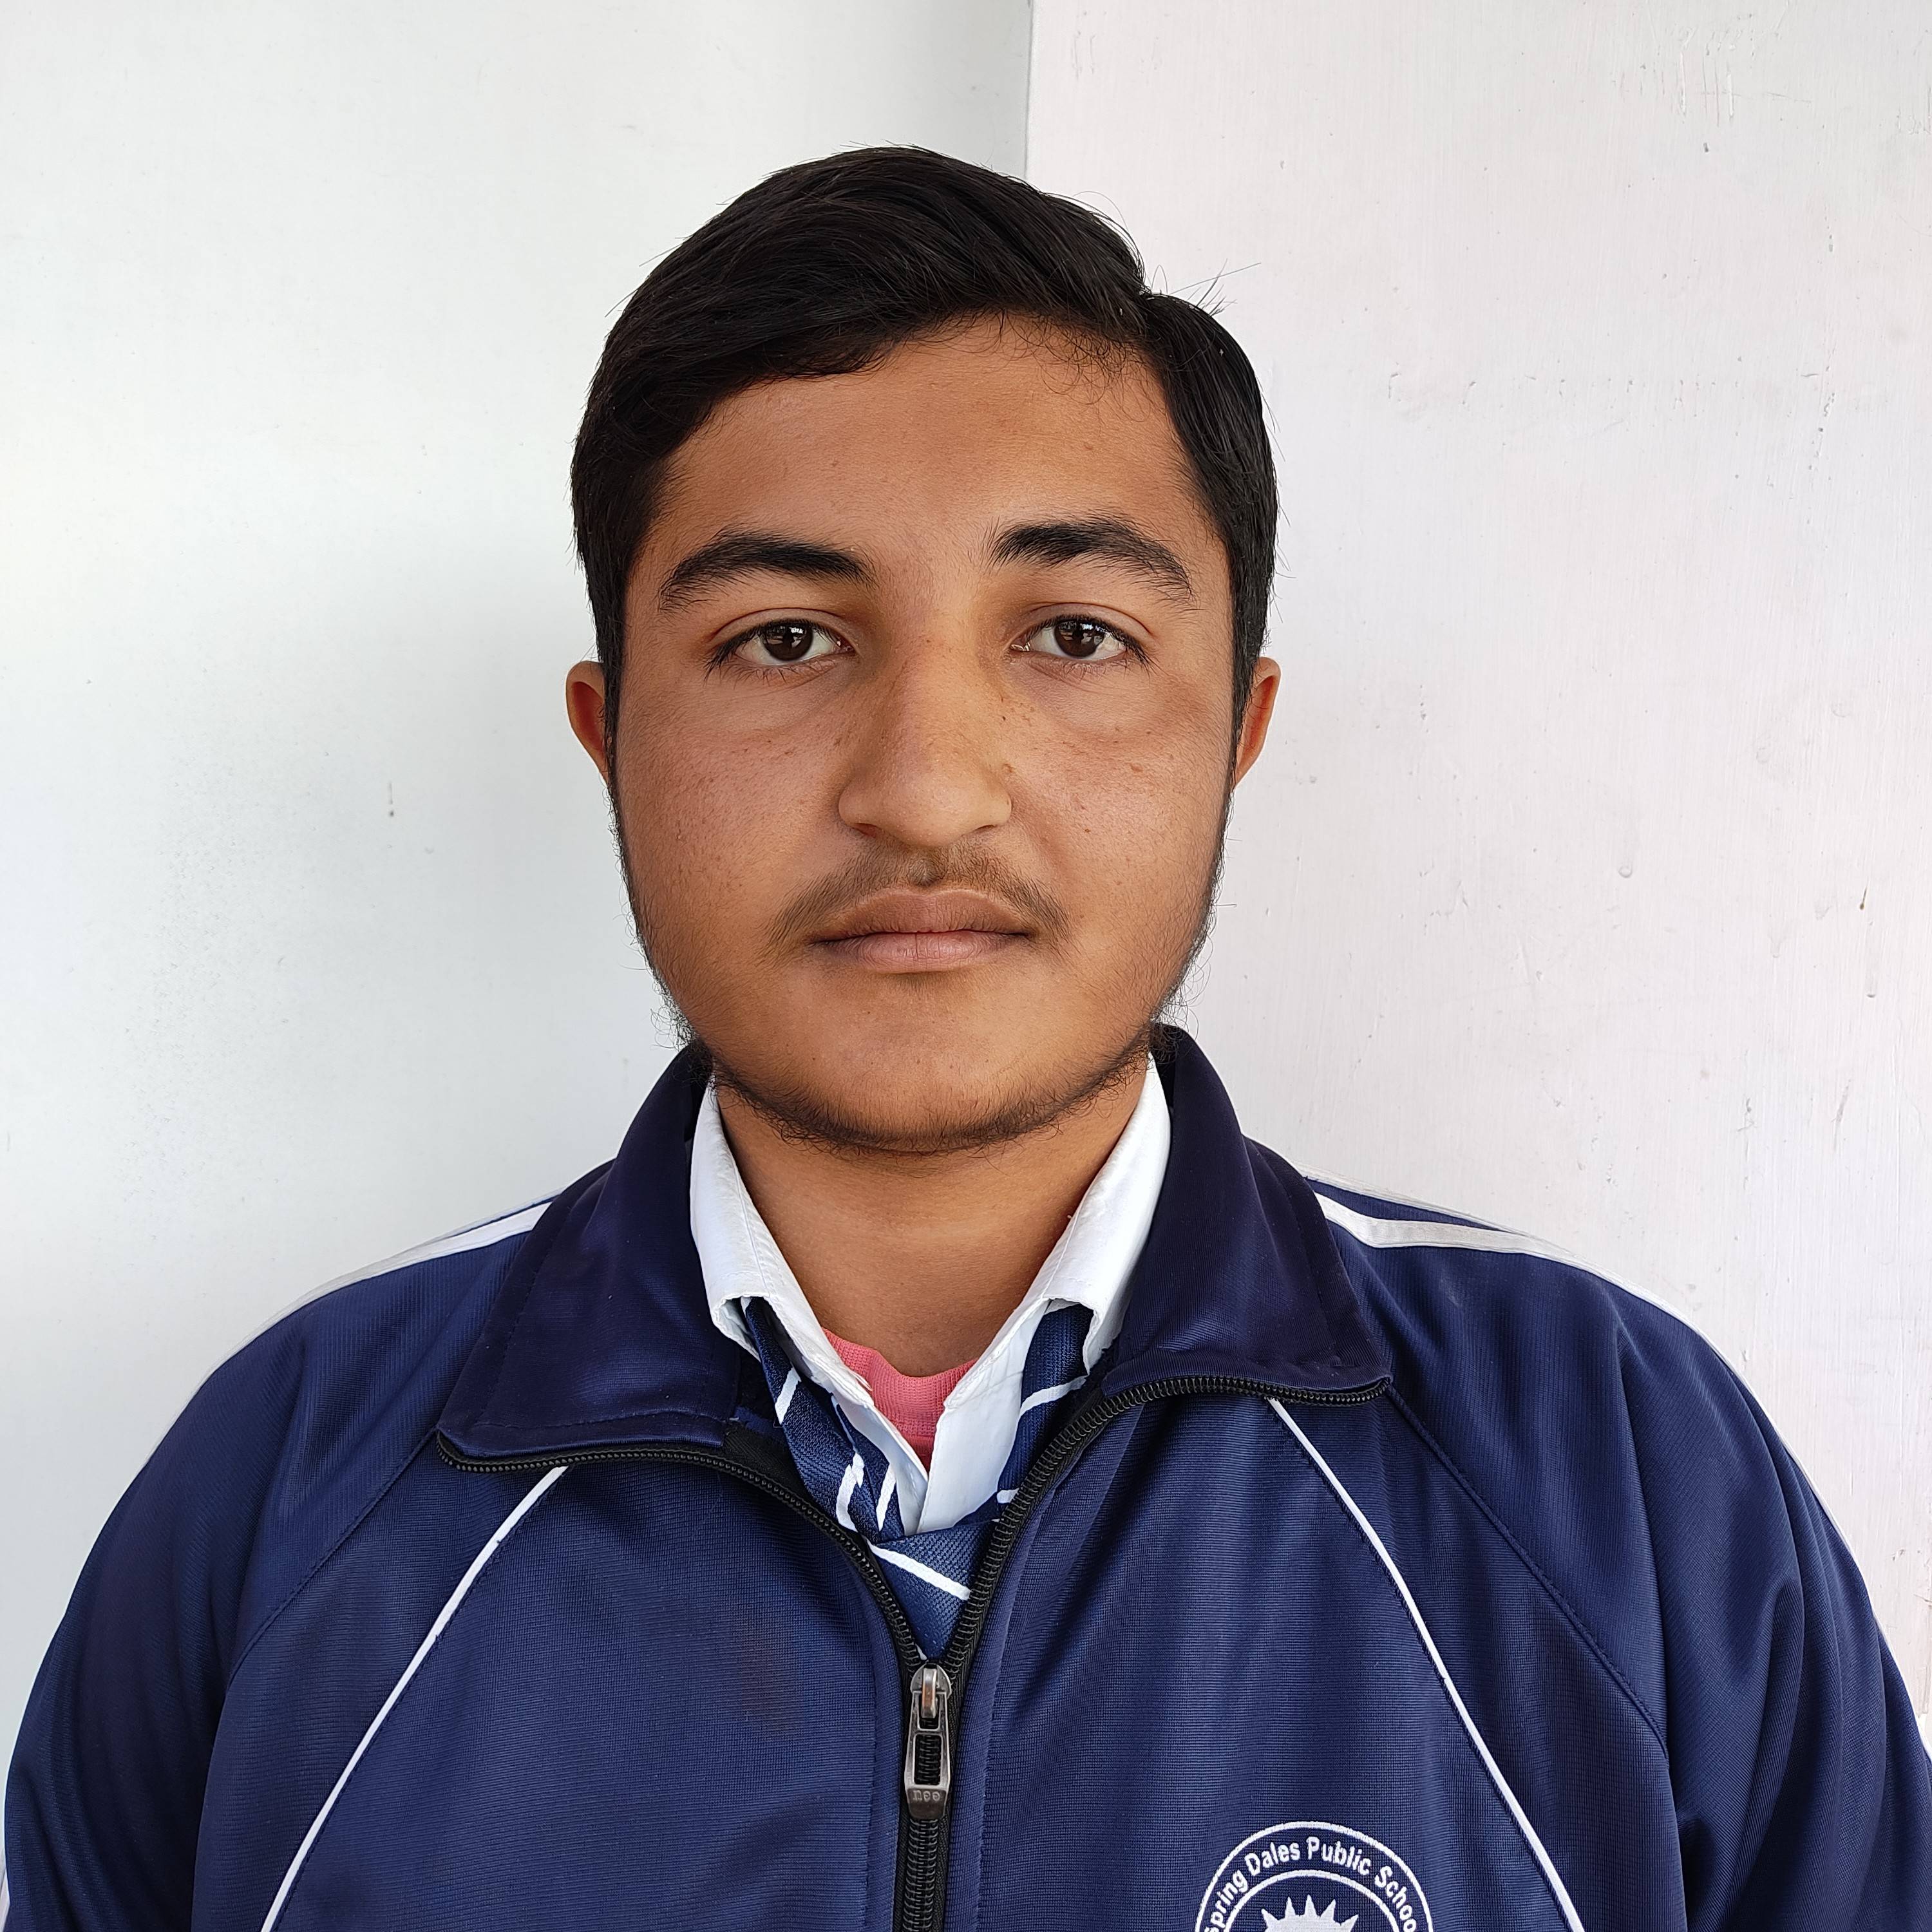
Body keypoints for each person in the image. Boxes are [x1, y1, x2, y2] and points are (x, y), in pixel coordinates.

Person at [5, 146, 1926, 1932]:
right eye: (784, 639)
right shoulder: (288, 1490)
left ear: (1238, 729)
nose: (926, 789)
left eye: (1073, 635)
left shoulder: (1621, 1478)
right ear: (611, 735)